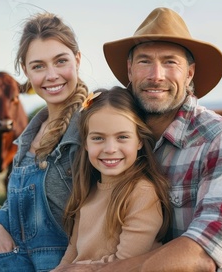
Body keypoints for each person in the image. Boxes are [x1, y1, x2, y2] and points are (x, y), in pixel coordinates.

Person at [53, 7, 222, 272]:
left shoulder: (221, 139)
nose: (156, 75)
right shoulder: (116, 132)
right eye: (144, 61)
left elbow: (204, 253)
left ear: (190, 73)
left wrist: (90, 270)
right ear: (129, 69)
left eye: (170, 62)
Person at [0, 12, 89, 272]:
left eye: (60, 61)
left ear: (77, 59)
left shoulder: (92, 126)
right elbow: (19, 202)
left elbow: (109, 207)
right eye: (38, 66)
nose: (51, 75)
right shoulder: (29, 135)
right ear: (26, 71)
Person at [54, 86, 172, 268]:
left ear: (139, 140)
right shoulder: (87, 189)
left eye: (122, 137)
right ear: (85, 143)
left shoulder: (142, 193)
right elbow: (70, 256)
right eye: (98, 138)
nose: (110, 149)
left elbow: (125, 264)